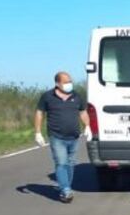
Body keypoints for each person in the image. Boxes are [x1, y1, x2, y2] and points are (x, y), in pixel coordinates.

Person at [34, 71, 91, 203]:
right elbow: (39, 113)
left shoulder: (76, 96)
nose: (69, 84)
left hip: (74, 136)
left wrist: (88, 126)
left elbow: (83, 112)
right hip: (56, 136)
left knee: (71, 163)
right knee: (61, 162)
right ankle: (65, 190)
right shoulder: (47, 96)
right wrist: (37, 132)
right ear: (57, 83)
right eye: (65, 82)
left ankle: (66, 186)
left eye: (70, 81)